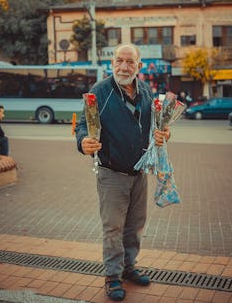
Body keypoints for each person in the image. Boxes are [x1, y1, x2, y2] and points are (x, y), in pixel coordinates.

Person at [76, 43, 170, 301]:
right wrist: (83, 141)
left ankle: (129, 268)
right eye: (119, 60)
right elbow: (84, 125)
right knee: (113, 229)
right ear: (112, 63)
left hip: (139, 173)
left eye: (130, 62)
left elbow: (155, 125)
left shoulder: (146, 91)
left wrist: (164, 133)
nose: (124, 66)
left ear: (139, 66)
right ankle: (112, 277)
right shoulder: (100, 91)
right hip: (112, 174)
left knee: (135, 227)